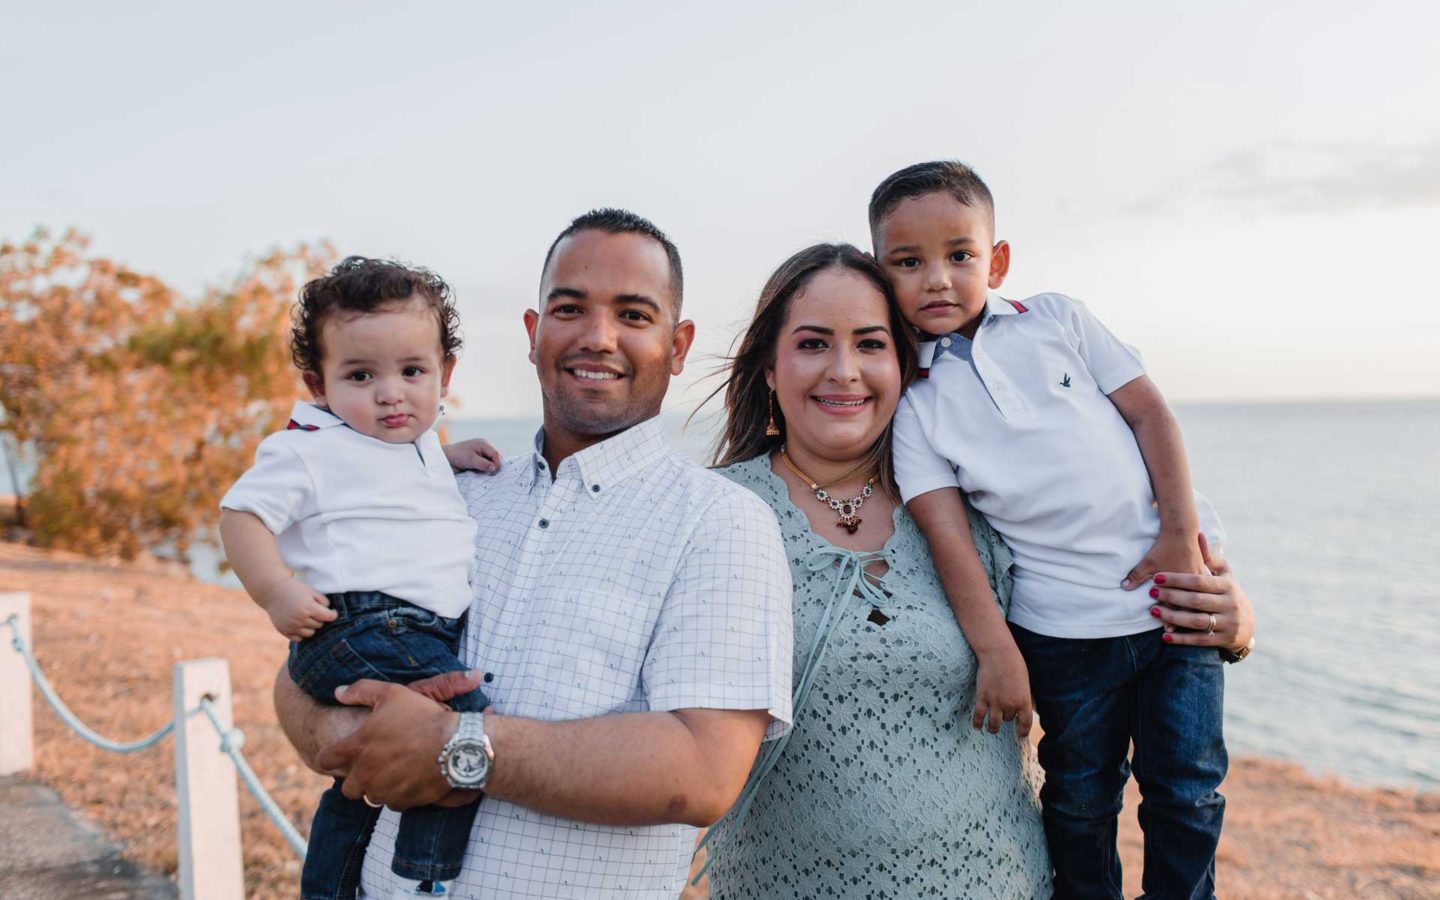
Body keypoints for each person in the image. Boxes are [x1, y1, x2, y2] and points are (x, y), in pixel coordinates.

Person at [699, 242, 1255, 899]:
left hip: (1007, 881)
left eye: (872, 345)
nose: (844, 371)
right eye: (814, 344)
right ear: (769, 366)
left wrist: (1235, 622)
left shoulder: (986, 516)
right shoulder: (713, 517)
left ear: (905, 366)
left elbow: (1108, 583)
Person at [272, 208, 795, 899]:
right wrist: (350, 737)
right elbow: (304, 668)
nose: (597, 337)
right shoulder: (452, 495)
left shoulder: (720, 523)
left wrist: (456, 749)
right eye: (569, 308)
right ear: (533, 331)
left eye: (634, 315)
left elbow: (701, 773)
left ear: (677, 345)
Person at [872, 160, 1254, 899]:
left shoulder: (1057, 320)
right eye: (908, 263)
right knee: (1080, 798)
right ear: (880, 274)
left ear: (998, 260)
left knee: (1188, 787)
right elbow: (949, 540)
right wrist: (997, 651)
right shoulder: (913, 401)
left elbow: (1152, 415)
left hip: (1175, 601)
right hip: (1061, 631)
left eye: (960, 255)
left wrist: (1178, 534)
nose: (938, 280)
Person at [220, 257, 501, 899]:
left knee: (365, 780)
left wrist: (449, 457)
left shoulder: (417, 444)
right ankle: (427, 878)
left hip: (411, 632)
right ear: (319, 384)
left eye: (412, 372)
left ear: (443, 375)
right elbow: (240, 516)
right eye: (360, 375)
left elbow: (399, 478)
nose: (390, 393)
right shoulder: (309, 446)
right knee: (466, 728)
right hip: (359, 625)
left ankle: (331, 887)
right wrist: (275, 591)